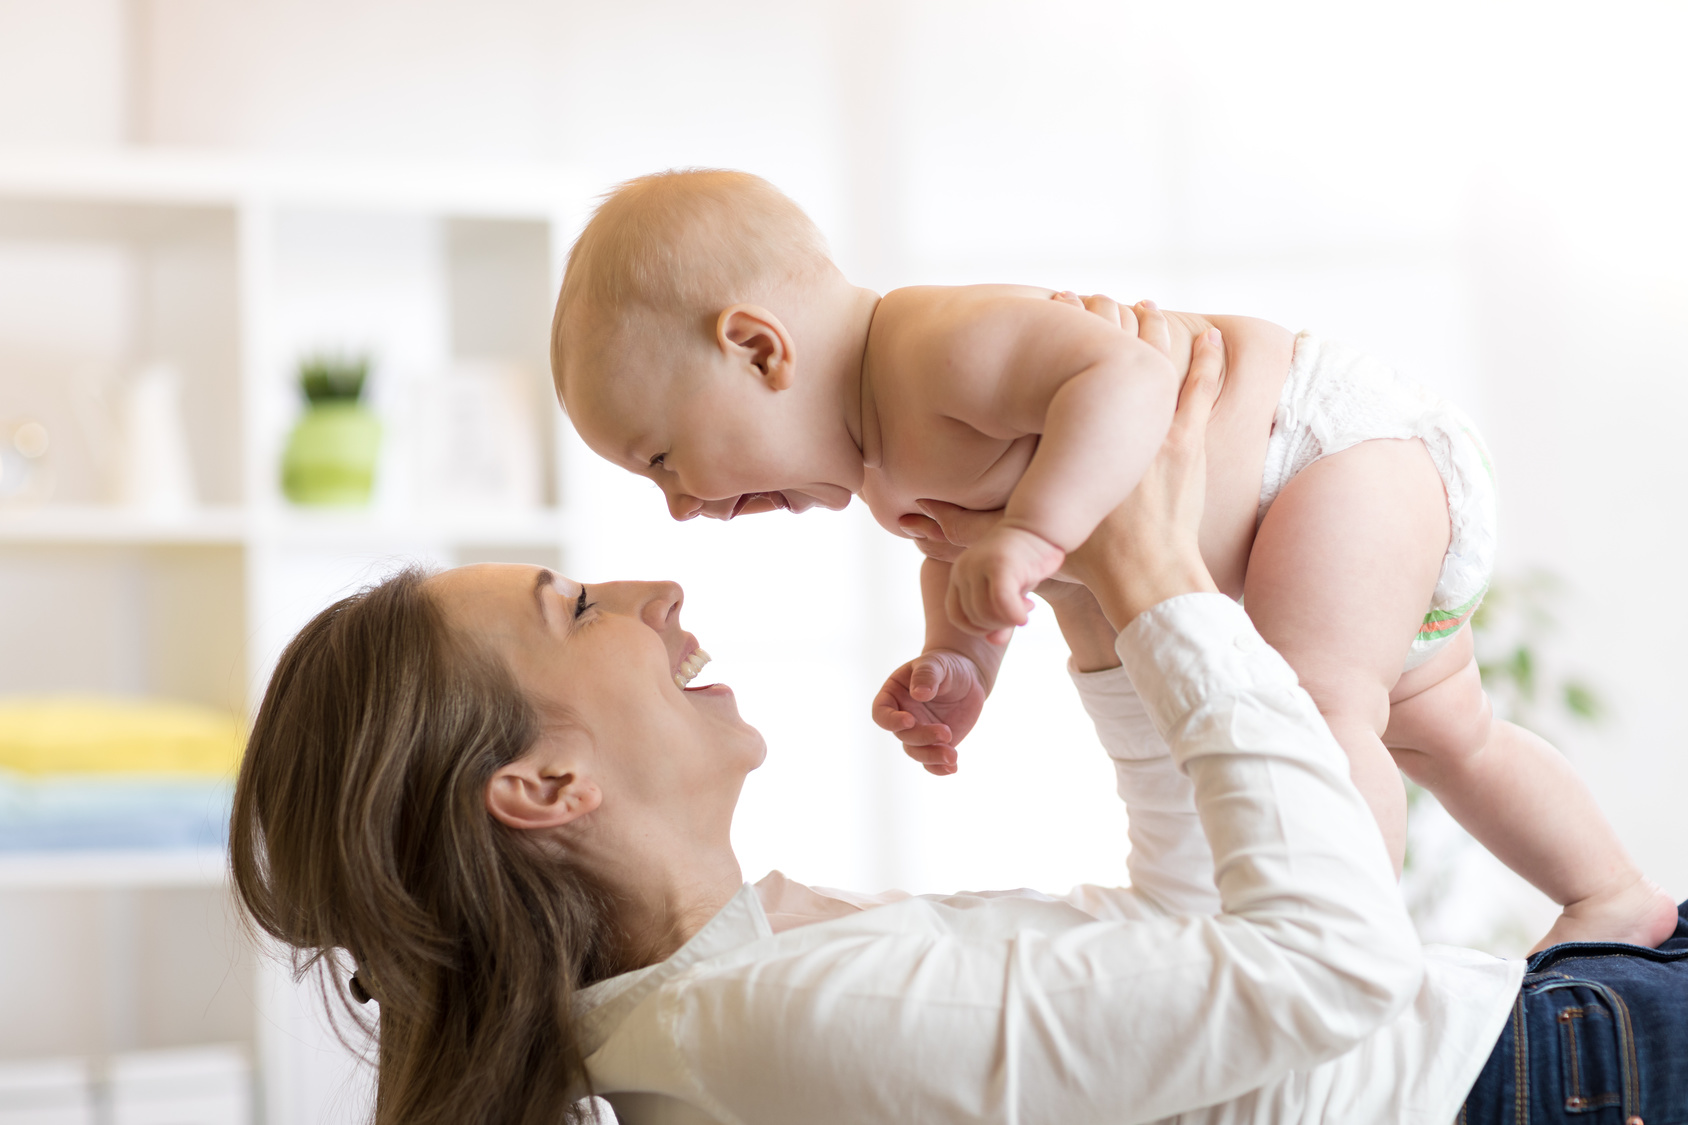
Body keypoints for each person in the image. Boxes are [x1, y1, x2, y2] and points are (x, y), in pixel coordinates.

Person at [230, 346, 1688, 1125]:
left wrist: (1108, 627)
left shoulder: (751, 979)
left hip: (1557, 1043)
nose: (655, 582)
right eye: (574, 606)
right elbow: (1334, 960)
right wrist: (1164, 579)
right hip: (1553, 1077)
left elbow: (1190, 938)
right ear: (544, 785)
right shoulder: (758, 1030)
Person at [548, 168, 1673, 950]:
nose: (682, 509)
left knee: (1317, 708)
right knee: (1443, 729)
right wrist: (962, 662)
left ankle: (1348, 951)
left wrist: (1035, 534)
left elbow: (1125, 379)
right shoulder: (886, 469)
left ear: (756, 349)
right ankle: (1609, 893)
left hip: (1325, 455)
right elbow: (964, 555)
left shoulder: (932, 345)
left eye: (662, 459)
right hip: (1310, 526)